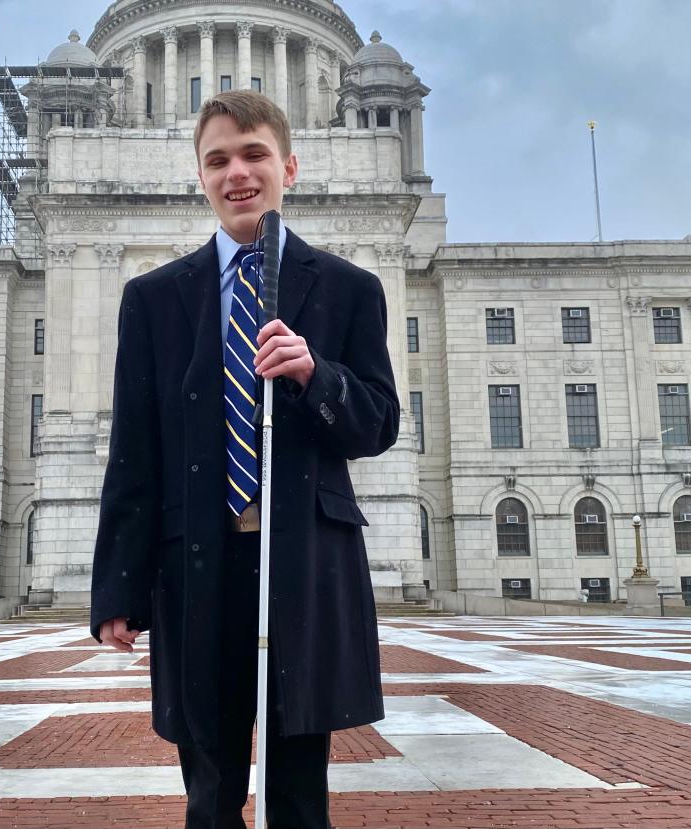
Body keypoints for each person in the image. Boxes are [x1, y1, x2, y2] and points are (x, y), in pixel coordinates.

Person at [91, 89, 399, 829]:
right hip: (198, 564)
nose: (238, 172)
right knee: (210, 787)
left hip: (302, 562)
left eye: (254, 154)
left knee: (299, 790)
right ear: (200, 176)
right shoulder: (153, 298)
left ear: (288, 165)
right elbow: (135, 448)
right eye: (218, 159)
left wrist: (314, 374)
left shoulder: (349, 287)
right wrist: (117, 586)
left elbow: (380, 422)